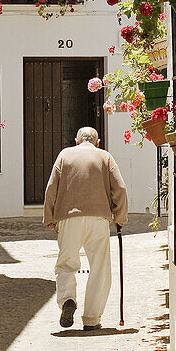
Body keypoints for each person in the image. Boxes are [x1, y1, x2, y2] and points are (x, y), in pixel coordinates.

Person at [44, 126, 128, 330]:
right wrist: (120, 217)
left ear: (76, 141)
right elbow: (120, 189)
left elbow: (51, 189)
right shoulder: (104, 157)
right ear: (97, 142)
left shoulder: (65, 155)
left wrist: (50, 217)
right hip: (98, 219)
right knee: (100, 267)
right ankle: (91, 319)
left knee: (66, 264)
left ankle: (67, 300)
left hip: (68, 218)